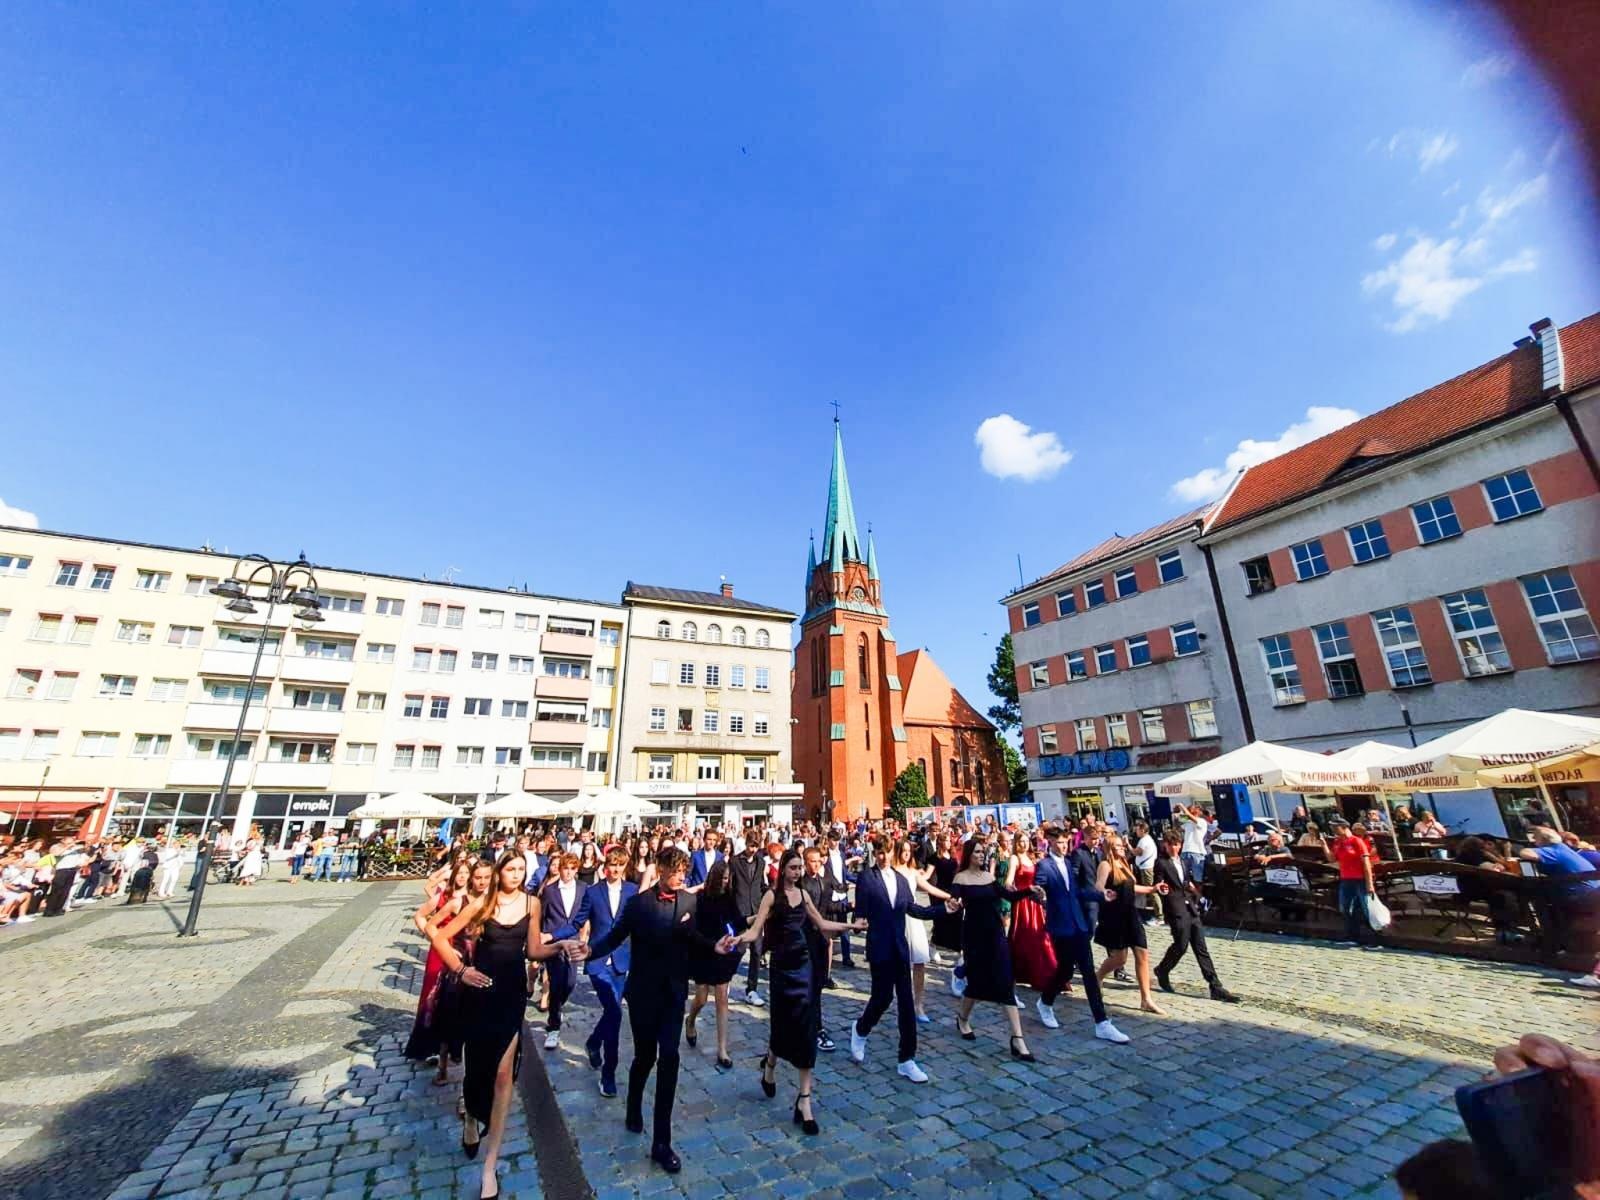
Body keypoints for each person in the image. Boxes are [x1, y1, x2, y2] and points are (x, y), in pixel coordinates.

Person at [578, 847, 739, 1175]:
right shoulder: (639, 904)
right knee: (644, 1057)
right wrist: (590, 950)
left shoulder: (690, 902)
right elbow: (616, 936)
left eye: (684, 871)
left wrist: (715, 945)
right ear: (662, 869)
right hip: (643, 993)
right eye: (676, 870)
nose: (682, 876)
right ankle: (633, 1104)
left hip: (673, 993)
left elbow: (694, 936)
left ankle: (662, 1143)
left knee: (670, 1058)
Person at [733, 848, 864, 1133]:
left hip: (804, 966)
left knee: (805, 1028)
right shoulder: (771, 896)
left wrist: (851, 925)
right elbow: (756, 931)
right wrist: (735, 941)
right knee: (782, 1025)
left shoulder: (804, 896)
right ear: (783, 869)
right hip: (781, 969)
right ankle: (769, 1064)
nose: (797, 872)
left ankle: (804, 1100)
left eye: (799, 867)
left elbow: (822, 923)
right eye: (792, 868)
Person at [848, 834, 951, 1083]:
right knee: (882, 998)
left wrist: (943, 909)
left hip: (899, 947)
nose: (883, 857)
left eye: (886, 852)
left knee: (906, 1002)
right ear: (874, 852)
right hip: (879, 947)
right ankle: (860, 1029)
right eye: (879, 852)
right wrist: (857, 923)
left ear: (892, 850)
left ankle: (907, 1059)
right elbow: (860, 913)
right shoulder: (866, 878)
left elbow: (914, 909)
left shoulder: (901, 879)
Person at [1029, 828, 1129, 1042]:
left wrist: (1101, 895)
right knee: (1064, 971)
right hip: (1060, 925)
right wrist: (1039, 895)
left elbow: (1078, 892)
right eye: (1058, 842)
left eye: (1065, 842)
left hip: (1078, 923)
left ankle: (1101, 1022)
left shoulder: (1067, 863)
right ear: (1049, 842)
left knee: (1088, 973)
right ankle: (1045, 1001)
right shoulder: (1044, 865)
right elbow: (1038, 890)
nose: (1063, 846)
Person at [552, 848, 636, 1097]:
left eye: (620, 865)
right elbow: (576, 923)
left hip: (622, 961)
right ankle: (608, 1074)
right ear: (604, 865)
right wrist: (549, 937)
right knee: (614, 1011)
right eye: (611, 864)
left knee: (613, 1012)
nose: (615, 869)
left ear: (625, 866)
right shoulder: (593, 892)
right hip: (597, 960)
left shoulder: (632, 891)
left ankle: (592, 1042)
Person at [949, 839, 1041, 1060]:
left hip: (995, 934)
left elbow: (1007, 895)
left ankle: (1017, 1039)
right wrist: (953, 903)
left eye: (983, 852)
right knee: (977, 983)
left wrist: (1029, 890)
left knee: (1005, 981)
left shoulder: (989, 877)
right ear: (969, 854)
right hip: (974, 937)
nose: (982, 855)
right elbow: (953, 901)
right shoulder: (961, 878)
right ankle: (962, 1018)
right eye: (978, 852)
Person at [1152, 830, 1241, 1003]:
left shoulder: (1183, 861)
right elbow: (1158, 881)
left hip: (1190, 907)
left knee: (1201, 948)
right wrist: (1161, 888)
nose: (1174, 848)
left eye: (1176, 844)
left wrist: (1197, 895)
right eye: (1170, 845)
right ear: (1165, 845)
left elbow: (1185, 881)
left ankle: (1215, 986)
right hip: (1176, 909)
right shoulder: (1161, 863)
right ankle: (1162, 969)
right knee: (1181, 945)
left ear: (1180, 845)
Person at [1093, 833, 1166, 1015]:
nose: (1122, 847)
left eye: (1121, 845)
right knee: (1120, 958)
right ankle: (1098, 977)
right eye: (1117, 845)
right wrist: (1105, 893)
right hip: (1114, 915)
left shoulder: (1124, 864)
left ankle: (1146, 999)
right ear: (1110, 847)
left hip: (1130, 913)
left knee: (1142, 953)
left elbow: (1131, 887)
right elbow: (1098, 886)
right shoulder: (1105, 864)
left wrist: (1152, 888)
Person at [685, 859, 741, 1070]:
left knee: (722, 999)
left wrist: (760, 917)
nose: (727, 882)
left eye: (729, 878)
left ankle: (722, 1049)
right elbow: (694, 930)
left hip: (724, 951)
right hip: (703, 950)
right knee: (701, 996)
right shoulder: (700, 898)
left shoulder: (729, 897)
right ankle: (690, 1020)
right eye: (724, 878)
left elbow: (738, 921)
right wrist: (710, 944)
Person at [891, 838, 951, 1023]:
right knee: (900, 964)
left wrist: (950, 896)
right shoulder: (891, 872)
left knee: (919, 962)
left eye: (909, 851)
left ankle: (919, 1004)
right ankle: (903, 1002)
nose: (907, 854)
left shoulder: (913, 873)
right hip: (898, 919)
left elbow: (930, 888)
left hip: (915, 918)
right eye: (904, 850)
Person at [539, 853, 587, 1050]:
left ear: (576, 870)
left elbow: (585, 914)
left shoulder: (584, 889)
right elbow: (542, 917)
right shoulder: (550, 891)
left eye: (572, 868)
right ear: (560, 869)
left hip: (573, 941)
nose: (568, 872)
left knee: (570, 981)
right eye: (565, 868)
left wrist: (584, 937)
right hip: (553, 941)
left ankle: (555, 1003)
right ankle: (553, 1026)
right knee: (557, 980)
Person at [1006, 833, 1057, 991]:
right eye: (1021, 841)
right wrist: (1012, 889)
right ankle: (1024, 972)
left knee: (1041, 935)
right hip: (1023, 902)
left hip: (1034, 901)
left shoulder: (1031, 858)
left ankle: (1045, 972)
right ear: (1016, 843)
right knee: (1026, 936)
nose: (1024, 844)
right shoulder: (1015, 858)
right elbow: (1009, 880)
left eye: (1026, 841)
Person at [729, 837, 768, 1007]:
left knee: (757, 951)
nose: (753, 849)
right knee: (740, 947)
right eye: (751, 845)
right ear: (746, 844)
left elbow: (760, 884)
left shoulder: (761, 862)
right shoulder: (735, 861)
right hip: (740, 910)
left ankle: (751, 989)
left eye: (756, 846)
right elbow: (731, 886)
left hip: (757, 910)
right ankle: (726, 978)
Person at [1331, 820, 1379, 947]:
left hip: (1360, 879)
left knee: (1366, 907)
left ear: (1344, 827)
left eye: (1335, 827)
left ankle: (1374, 937)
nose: (1333, 829)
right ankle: (1352, 935)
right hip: (1346, 878)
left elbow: (1366, 863)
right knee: (1346, 907)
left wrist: (1370, 884)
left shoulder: (1356, 841)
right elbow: (1332, 858)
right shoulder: (1338, 842)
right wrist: (1323, 845)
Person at [1176, 805, 1210, 883]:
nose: (1190, 808)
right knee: (1184, 877)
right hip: (1185, 851)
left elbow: (1187, 815)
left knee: (1197, 879)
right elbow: (1178, 825)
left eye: (1193, 807)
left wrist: (1181, 806)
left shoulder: (1202, 821)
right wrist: (1179, 813)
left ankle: (1199, 895)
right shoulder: (1188, 821)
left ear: (1198, 810)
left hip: (1197, 852)